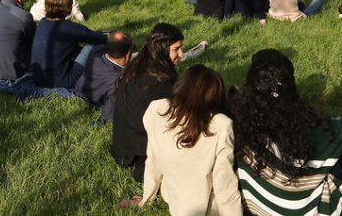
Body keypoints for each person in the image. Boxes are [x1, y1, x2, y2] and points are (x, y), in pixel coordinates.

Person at [231, 49, 342, 215]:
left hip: (255, 204)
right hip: (297, 208)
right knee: (333, 160)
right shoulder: (303, 132)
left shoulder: (237, 119)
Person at [135, 65, 241, 216]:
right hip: (206, 209)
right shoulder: (221, 125)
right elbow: (225, 186)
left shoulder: (157, 109)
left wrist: (147, 199)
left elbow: (153, 160)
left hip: (172, 196)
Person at [113, 23, 184, 182]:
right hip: (140, 150)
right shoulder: (159, 82)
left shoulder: (140, 63)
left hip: (124, 145)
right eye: (176, 49)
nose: (182, 54)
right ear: (162, 48)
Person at [30, 0, 107, 89]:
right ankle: (113, 64)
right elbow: (100, 38)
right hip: (62, 82)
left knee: (73, 45)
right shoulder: (70, 28)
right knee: (91, 46)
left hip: (38, 79)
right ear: (69, 7)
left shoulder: (42, 23)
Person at [74, 30, 134, 123]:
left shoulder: (96, 51)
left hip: (79, 89)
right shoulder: (118, 83)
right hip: (94, 100)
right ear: (128, 55)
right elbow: (108, 116)